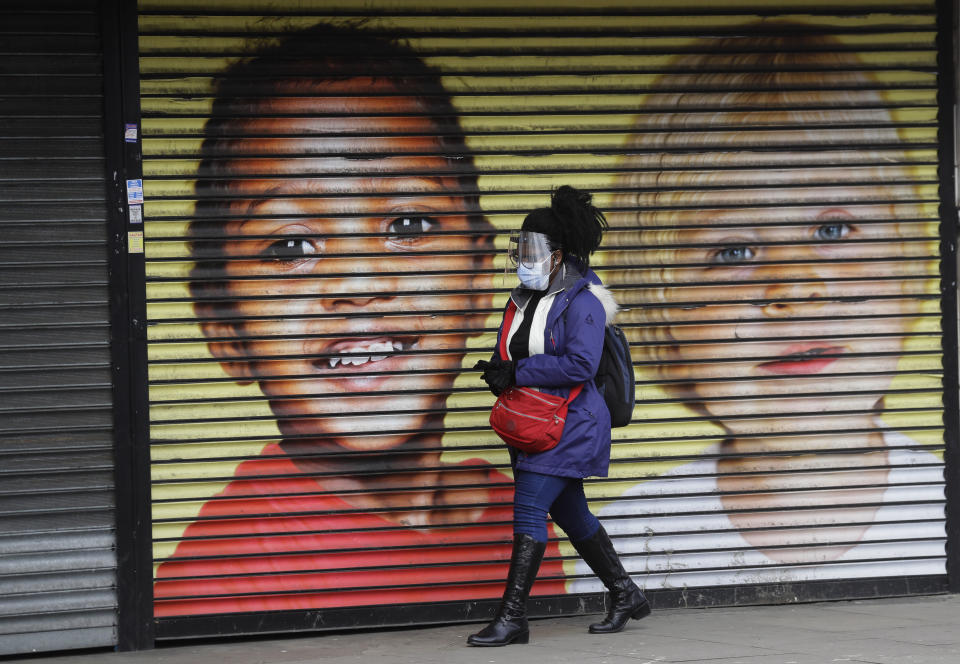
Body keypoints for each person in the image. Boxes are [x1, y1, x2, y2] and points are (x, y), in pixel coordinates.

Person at [152, 24, 568, 617]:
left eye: (409, 226)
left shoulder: (514, 516)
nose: (359, 283)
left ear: (479, 277)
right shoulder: (221, 584)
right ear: (223, 323)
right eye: (291, 245)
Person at [574, 30, 945, 591]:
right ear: (665, 309)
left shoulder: (944, 504)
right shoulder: (629, 537)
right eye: (734, 251)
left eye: (833, 229)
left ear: (909, 257)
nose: (794, 289)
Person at [467, 186, 650, 647]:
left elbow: (580, 366)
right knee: (572, 514)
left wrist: (519, 371)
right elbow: (509, 349)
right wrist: (498, 372)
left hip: (569, 424)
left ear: (558, 254)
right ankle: (626, 594)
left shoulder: (583, 302)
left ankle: (512, 619)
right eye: (520, 248)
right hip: (530, 423)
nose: (523, 258)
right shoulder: (522, 300)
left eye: (532, 249)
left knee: (529, 509)